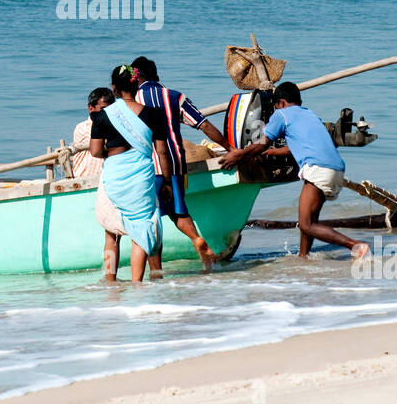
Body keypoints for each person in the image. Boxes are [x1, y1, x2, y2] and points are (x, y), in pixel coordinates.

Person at [219, 82, 370, 260]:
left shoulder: (281, 114)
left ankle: (355, 246)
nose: (275, 110)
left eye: (275, 107)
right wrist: (275, 152)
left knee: (305, 225)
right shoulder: (309, 114)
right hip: (335, 168)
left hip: (317, 168)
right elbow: (299, 144)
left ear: (281, 103)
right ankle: (303, 256)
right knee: (309, 221)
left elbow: (262, 143)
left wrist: (239, 155)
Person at [130, 56, 226, 269]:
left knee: (151, 220)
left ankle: (156, 273)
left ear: (135, 78)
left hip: (147, 168)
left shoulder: (131, 100)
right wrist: (231, 148)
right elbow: (205, 126)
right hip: (175, 165)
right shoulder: (174, 97)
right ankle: (196, 239)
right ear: (155, 76)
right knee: (178, 212)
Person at [88, 65, 174, 281]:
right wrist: (166, 182)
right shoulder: (155, 114)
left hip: (114, 174)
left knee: (111, 232)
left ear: (114, 88)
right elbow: (162, 152)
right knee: (142, 230)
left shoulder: (103, 116)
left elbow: (96, 151)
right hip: (141, 176)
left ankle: (110, 281)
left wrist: (113, 152)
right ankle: (137, 284)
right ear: (136, 85)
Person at [69, 87, 113, 180]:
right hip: (84, 178)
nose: (108, 113)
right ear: (90, 108)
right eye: (103, 109)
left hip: (105, 177)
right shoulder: (82, 128)